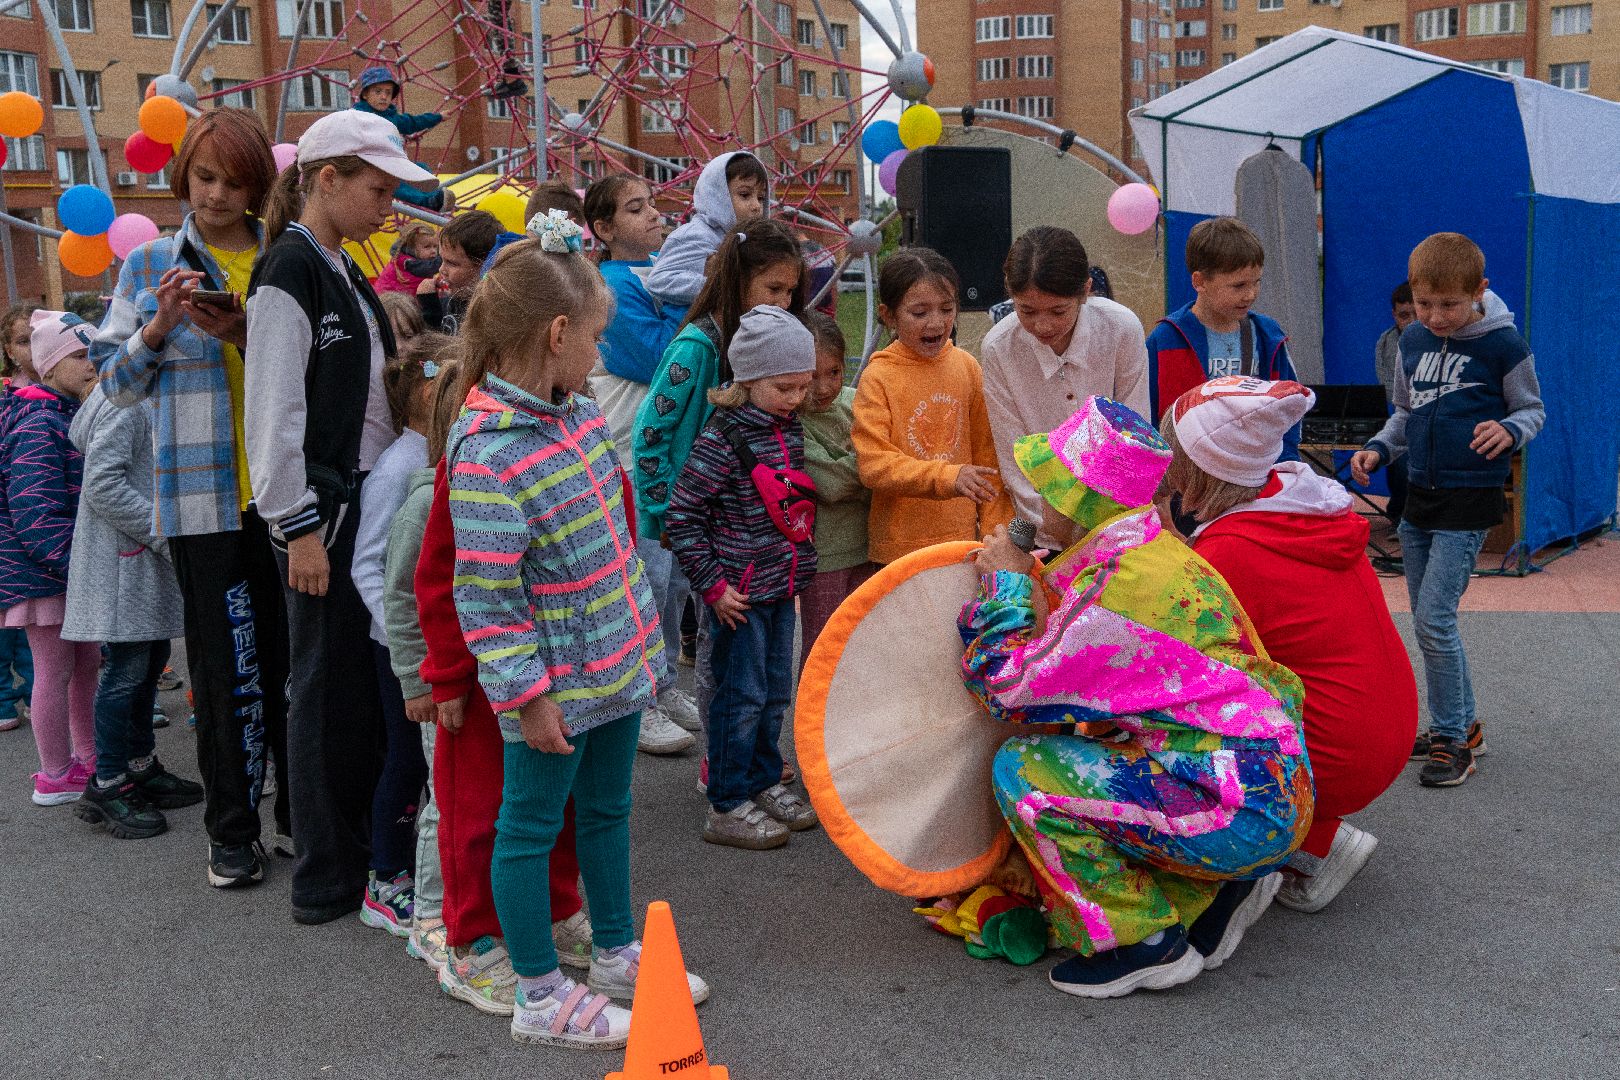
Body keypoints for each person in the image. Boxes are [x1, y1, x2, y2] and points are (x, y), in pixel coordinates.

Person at [446, 223, 706, 1048]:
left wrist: (642, 651)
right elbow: (486, 599)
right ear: (558, 335)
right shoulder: (487, 454)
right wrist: (526, 698)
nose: (599, 352)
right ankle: (538, 993)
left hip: (615, 665)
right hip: (556, 684)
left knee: (607, 808)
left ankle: (617, 947)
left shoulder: (577, 411)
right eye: (595, 336)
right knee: (528, 829)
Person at [960, 395, 1311, 998]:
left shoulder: (1112, 592)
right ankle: (1224, 889)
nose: (1037, 504)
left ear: (1075, 497)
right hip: (1278, 786)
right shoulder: (1159, 552)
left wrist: (1008, 585)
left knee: (1025, 771)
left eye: (1049, 488)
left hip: (1232, 810)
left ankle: (1141, 943)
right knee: (1124, 759)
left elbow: (1004, 687)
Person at [93, 105, 289, 886]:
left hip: (284, 496)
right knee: (222, 668)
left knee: (288, 665)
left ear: (257, 188)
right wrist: (156, 328)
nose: (216, 196)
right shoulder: (150, 266)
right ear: (183, 176)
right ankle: (230, 832)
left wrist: (244, 333)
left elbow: (317, 375)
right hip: (203, 503)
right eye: (205, 178)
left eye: (234, 182)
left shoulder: (282, 255)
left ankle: (295, 818)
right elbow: (112, 389)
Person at [246, 109, 431, 924]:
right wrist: (297, 526)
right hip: (322, 511)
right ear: (327, 179)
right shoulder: (289, 268)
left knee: (353, 687)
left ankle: (356, 852)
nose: (388, 205)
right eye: (377, 188)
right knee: (321, 691)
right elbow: (276, 410)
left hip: (356, 503)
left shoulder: (339, 263)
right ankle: (325, 876)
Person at [1162, 377, 1417, 912]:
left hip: (1336, 757)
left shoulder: (1229, 551)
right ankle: (1316, 840)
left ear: (1203, 469)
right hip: (1381, 728)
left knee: (1172, 719)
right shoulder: (1302, 503)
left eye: (1176, 456)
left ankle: (1269, 855)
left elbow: (1173, 654)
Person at [1351, 232, 1544, 788]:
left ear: (1479, 292)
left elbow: (1533, 410)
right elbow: (1405, 415)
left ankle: (1453, 740)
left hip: (1468, 501)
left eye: (1449, 305)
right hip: (1420, 500)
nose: (1435, 316)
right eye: (1423, 304)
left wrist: (1509, 429)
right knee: (1430, 624)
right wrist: (1379, 448)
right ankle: (1459, 724)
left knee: (1435, 622)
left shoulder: (1504, 344)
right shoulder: (1411, 342)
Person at [416, 414, 592, 1016]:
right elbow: (437, 578)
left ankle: (557, 908)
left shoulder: (575, 437)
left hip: (559, 666)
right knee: (479, 813)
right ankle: (472, 943)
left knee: (556, 803)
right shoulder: (473, 462)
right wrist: (444, 674)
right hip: (482, 676)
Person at [631, 218, 806, 757]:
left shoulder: (760, 343)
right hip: (696, 521)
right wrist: (665, 509)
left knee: (733, 648)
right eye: (773, 289)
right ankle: (718, 761)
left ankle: (732, 748)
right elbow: (651, 430)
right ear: (738, 282)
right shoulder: (698, 346)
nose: (782, 301)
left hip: (736, 528)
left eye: (790, 292)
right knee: (709, 641)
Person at [667, 305, 821, 849]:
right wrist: (712, 585)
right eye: (785, 387)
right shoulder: (721, 438)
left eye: (802, 386)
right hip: (739, 595)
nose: (796, 398)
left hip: (779, 588)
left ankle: (761, 779)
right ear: (748, 379)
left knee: (775, 691)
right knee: (741, 696)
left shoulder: (786, 426)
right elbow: (681, 514)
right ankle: (727, 801)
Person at [581, 175, 699, 742]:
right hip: (631, 455)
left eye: (652, 205)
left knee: (674, 579)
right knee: (645, 578)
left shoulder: (661, 277)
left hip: (670, 456)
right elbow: (662, 358)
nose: (654, 216)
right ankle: (637, 696)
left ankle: (664, 678)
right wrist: (694, 315)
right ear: (603, 229)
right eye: (636, 209)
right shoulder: (610, 285)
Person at [62, 378, 202, 838]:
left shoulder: (140, 393)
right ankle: (108, 782)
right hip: (126, 567)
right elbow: (102, 485)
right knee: (125, 673)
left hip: (140, 565)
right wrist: (163, 533)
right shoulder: (126, 402)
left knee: (149, 664)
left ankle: (140, 765)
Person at [352, 333, 448, 935]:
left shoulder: (436, 456)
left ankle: (417, 868)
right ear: (426, 397)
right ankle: (385, 882)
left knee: (428, 763)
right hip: (403, 650)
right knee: (406, 761)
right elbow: (368, 563)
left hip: (430, 645)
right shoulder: (398, 469)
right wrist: (400, 637)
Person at [981, 226, 1150, 551]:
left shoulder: (1120, 328)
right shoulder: (999, 348)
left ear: (1085, 291)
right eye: (1026, 311)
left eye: (1058, 311)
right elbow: (1015, 459)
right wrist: (1059, 529)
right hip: (1045, 531)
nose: (1042, 326)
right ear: (1010, 293)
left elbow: (1136, 432)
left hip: (1119, 523)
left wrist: (1113, 520)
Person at [852, 248, 1011, 565]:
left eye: (946, 308)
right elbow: (873, 464)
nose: (936, 322)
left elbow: (988, 458)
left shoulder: (967, 367)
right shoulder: (878, 376)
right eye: (920, 313)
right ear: (888, 315)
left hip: (962, 546)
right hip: (898, 551)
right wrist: (949, 477)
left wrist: (994, 537)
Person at [380, 346, 460, 973]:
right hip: (438, 681)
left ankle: (465, 903)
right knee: (442, 801)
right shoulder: (424, 499)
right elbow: (400, 594)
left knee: (472, 798)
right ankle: (430, 914)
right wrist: (414, 677)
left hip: (478, 679)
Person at [0, 312, 100, 806]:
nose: (92, 365)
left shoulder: (62, 412)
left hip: (62, 571)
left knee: (87, 664)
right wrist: (70, 565)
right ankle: (55, 773)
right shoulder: (39, 420)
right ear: (48, 364)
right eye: (80, 356)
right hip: (44, 575)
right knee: (54, 670)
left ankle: (89, 757)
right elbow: (35, 510)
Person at [1145, 217, 1300, 459]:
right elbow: (1148, 417)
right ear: (1199, 281)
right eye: (1238, 286)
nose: (1250, 294)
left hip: (1256, 475)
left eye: (1256, 282)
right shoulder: (1165, 339)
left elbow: (1290, 408)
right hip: (1186, 483)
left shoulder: (1269, 336)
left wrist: (1285, 465)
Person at [797, 312, 872, 668]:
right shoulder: (792, 420)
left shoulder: (858, 401)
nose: (824, 387)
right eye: (811, 376)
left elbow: (886, 456)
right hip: (824, 556)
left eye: (834, 372)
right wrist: (870, 466)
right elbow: (832, 483)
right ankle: (811, 723)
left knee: (861, 648)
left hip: (869, 545)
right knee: (822, 650)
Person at [645, 151, 769, 307]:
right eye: (745, 195)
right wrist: (717, 283)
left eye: (761, 198)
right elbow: (659, 281)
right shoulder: (695, 235)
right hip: (692, 328)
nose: (757, 206)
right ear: (717, 195)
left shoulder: (747, 240)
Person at [0, 304, 36, 733]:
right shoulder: (9, 400)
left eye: (34, 338)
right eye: (21, 341)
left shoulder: (66, 385)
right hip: (12, 525)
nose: (29, 349)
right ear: (8, 351)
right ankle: (6, 699)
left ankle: (32, 692)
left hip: (33, 523)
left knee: (33, 625)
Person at [350, 65, 448, 213]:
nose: (383, 96)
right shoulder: (357, 116)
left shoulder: (392, 117)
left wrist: (438, 117)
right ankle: (427, 201)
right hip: (369, 167)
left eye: (388, 93)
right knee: (395, 181)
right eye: (378, 92)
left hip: (391, 162)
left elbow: (414, 122)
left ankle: (435, 197)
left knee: (421, 168)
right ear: (365, 95)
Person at [419, 209, 501, 335]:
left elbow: (445, 350)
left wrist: (430, 311)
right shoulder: (454, 300)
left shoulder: (489, 317)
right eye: (441, 260)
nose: (441, 269)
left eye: (452, 263)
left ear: (484, 267)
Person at [1374, 281, 1416, 526]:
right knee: (1397, 453)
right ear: (1394, 315)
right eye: (1403, 316)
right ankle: (1399, 515)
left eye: (1415, 314)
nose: (1410, 321)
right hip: (1406, 412)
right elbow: (1389, 385)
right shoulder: (1386, 343)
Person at [374, 222, 442, 296]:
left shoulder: (420, 258)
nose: (433, 251)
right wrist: (443, 256)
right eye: (427, 247)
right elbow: (428, 268)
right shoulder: (406, 261)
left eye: (435, 246)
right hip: (387, 298)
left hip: (404, 297)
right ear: (411, 248)